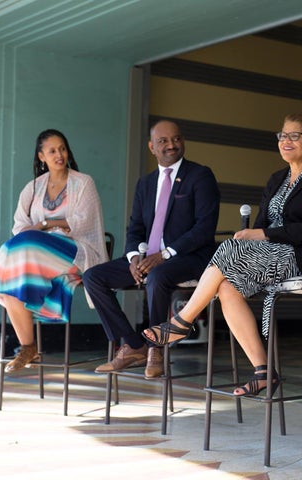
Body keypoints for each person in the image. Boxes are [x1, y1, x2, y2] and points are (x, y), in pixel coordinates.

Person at [141, 113, 302, 396]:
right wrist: (254, 236)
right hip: (267, 254)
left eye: (294, 136)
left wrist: (261, 236)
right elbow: (260, 225)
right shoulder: (276, 179)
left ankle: (182, 321)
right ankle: (263, 372)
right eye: (282, 136)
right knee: (225, 285)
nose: (285, 141)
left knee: (227, 249)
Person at [0, 129, 108, 371]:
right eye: (52, 151)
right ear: (41, 156)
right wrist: (40, 228)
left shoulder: (83, 183)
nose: (59, 154)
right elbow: (18, 228)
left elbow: (82, 223)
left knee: (25, 242)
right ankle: (28, 347)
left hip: (74, 253)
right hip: (35, 256)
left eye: (62, 148)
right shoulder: (33, 188)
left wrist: (45, 225)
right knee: (9, 286)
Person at [83, 119, 219, 379]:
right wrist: (134, 258)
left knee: (158, 276)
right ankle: (134, 345)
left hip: (188, 257)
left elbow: (204, 228)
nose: (171, 145)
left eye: (176, 139)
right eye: (163, 141)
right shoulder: (145, 183)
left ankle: (156, 347)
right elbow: (134, 228)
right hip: (149, 257)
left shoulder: (200, 175)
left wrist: (165, 255)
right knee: (93, 277)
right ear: (151, 147)